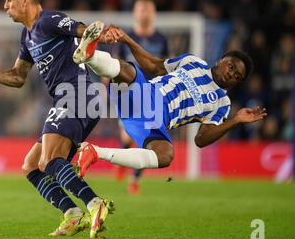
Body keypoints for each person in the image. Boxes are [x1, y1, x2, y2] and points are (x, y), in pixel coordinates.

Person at [0, 0, 115, 239]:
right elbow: (18, 77)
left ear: (25, 1)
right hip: (71, 99)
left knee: (50, 161)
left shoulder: (48, 20)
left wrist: (96, 33)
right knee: (31, 165)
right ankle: (72, 214)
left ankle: (95, 204)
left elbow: (83, 30)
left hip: (78, 94)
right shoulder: (26, 36)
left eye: (9, 0)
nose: (5, 6)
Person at [72, 21, 267, 176]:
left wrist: (236, 120)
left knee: (166, 155)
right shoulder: (193, 62)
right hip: (146, 94)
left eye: (237, 76)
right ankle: (88, 55)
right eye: (231, 66)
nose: (232, 74)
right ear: (220, 60)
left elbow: (201, 139)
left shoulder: (222, 104)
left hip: (152, 123)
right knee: (127, 70)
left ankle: (95, 152)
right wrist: (127, 39)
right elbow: (153, 65)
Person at [113, 0, 169, 194]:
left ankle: (135, 179)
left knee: (147, 140)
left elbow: (164, 67)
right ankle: (122, 159)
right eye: (141, 9)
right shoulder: (125, 38)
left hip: (152, 95)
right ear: (135, 13)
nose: (144, 13)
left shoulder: (161, 40)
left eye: (148, 9)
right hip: (127, 94)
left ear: (153, 14)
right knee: (127, 137)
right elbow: (115, 66)